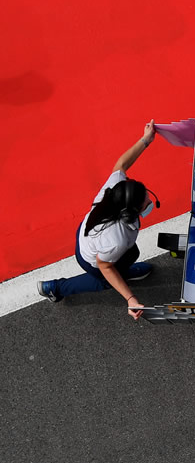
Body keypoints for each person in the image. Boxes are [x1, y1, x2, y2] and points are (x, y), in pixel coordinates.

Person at [37, 123, 161, 320]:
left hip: (89, 236)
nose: (149, 200)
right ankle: (56, 288)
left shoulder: (115, 189)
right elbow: (105, 266)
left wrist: (146, 140)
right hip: (94, 259)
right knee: (105, 280)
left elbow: (121, 164)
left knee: (132, 253)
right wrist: (130, 298)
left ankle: (124, 273)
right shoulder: (116, 240)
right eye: (145, 201)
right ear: (129, 213)